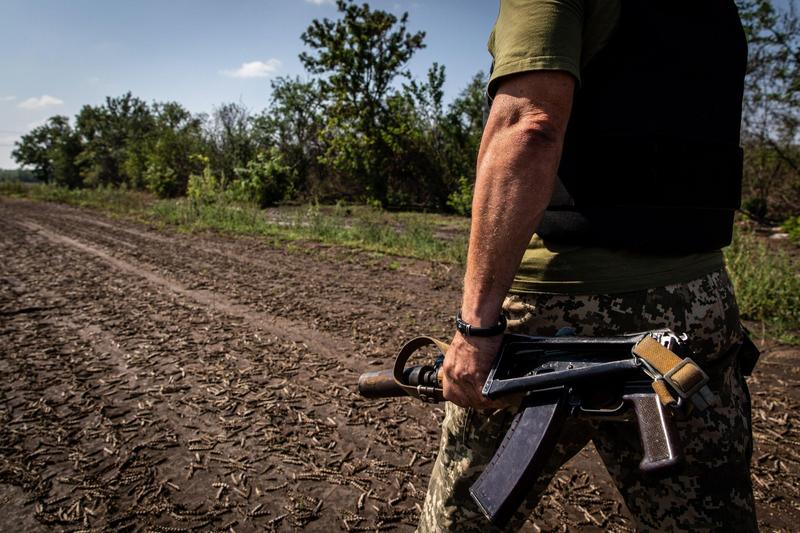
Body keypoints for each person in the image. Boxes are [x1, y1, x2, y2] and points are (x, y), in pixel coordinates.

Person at [418, 1, 757, 531]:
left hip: (554, 317)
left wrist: (475, 329)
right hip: (696, 306)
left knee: (465, 518)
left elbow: (530, 126)